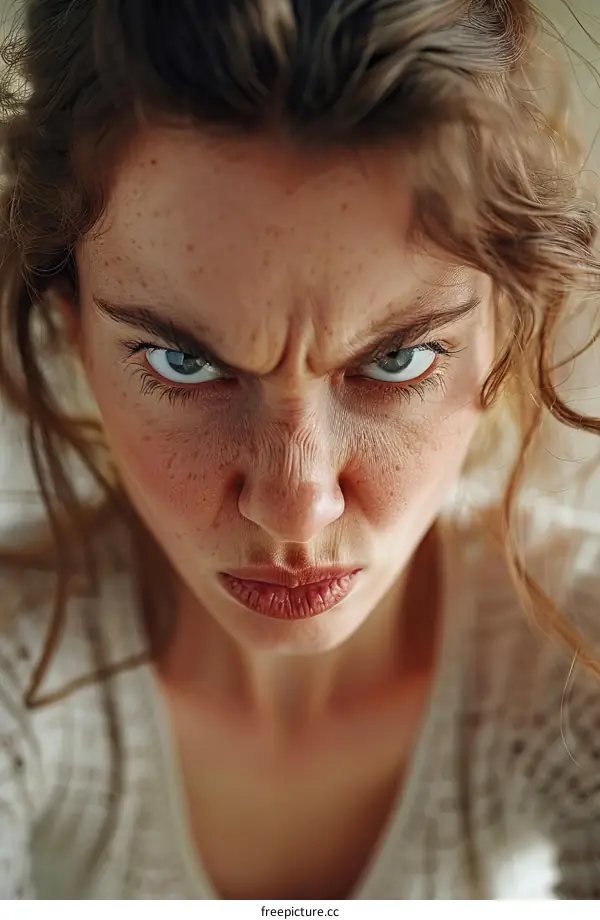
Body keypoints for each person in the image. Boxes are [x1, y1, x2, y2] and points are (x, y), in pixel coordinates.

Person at [1, 0, 600, 901]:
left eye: (395, 360)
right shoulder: (18, 665)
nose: (296, 505)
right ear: (70, 325)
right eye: (183, 361)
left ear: (504, 321)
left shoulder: (574, 663)